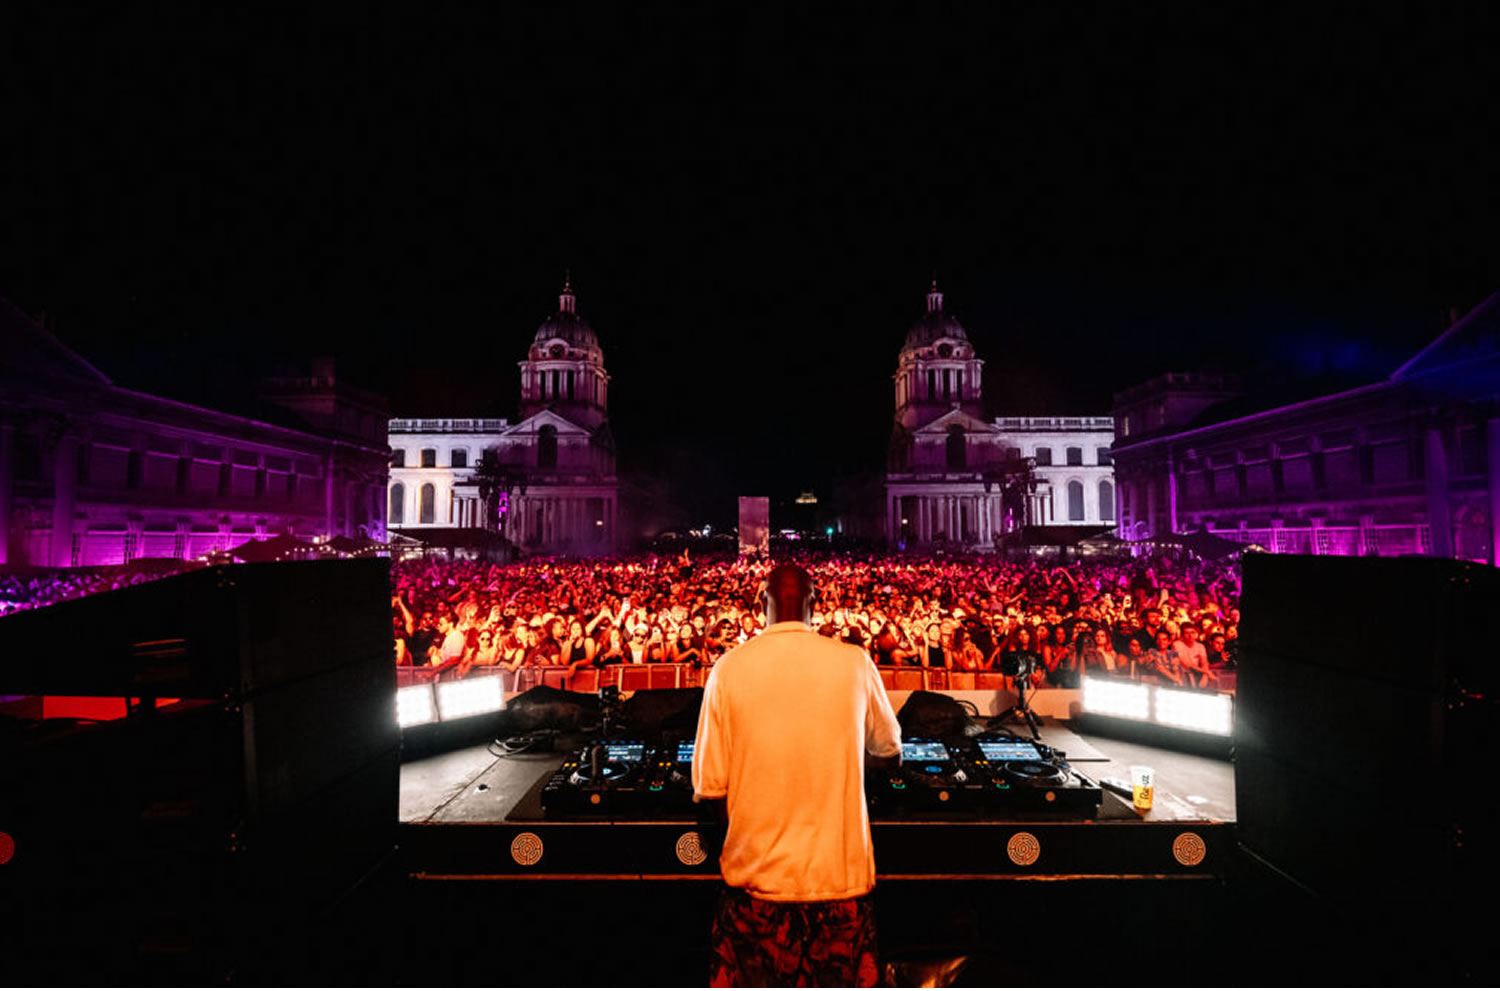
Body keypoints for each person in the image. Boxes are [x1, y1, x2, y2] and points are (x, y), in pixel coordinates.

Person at [693, 563, 901, 987]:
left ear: (759, 604)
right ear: (816, 603)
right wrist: (842, 759)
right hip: (840, 885)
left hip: (756, 890)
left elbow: (709, 792)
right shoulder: (854, 662)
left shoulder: (728, 669)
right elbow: (890, 753)